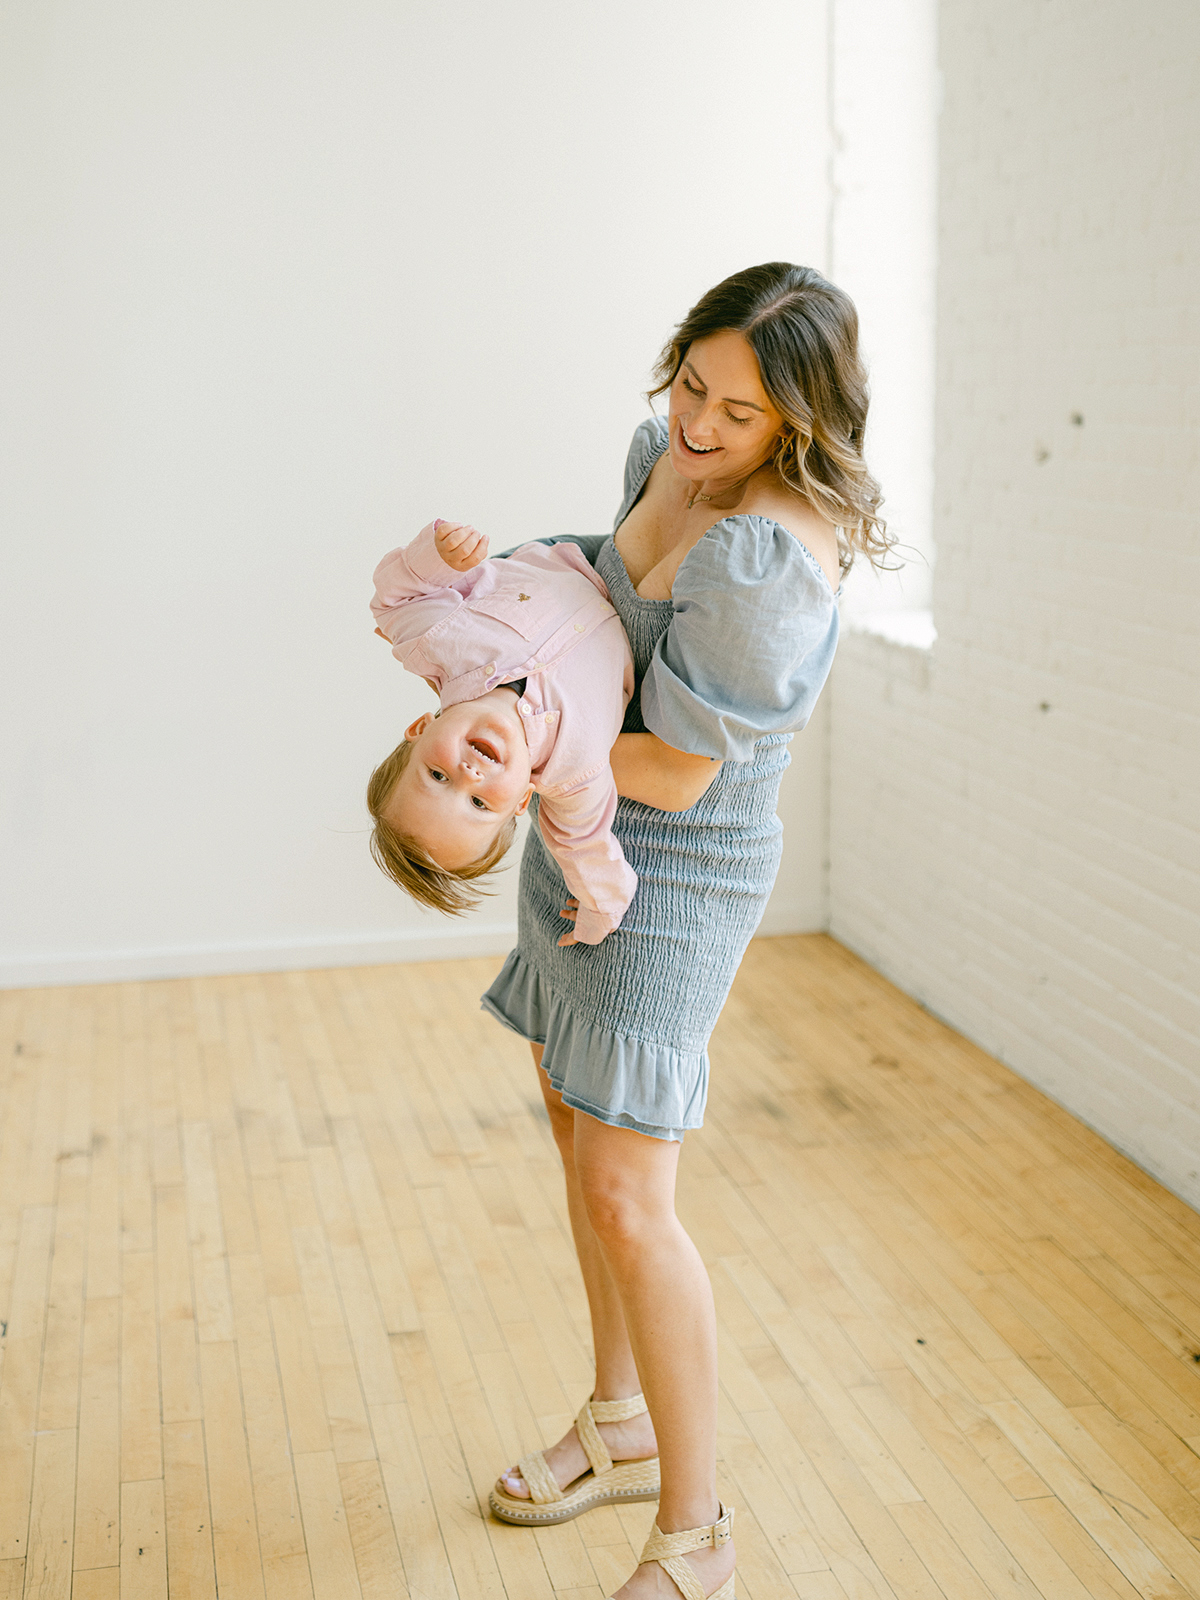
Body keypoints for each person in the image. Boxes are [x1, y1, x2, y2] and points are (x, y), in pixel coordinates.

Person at [482, 262, 890, 1600]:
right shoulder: (666, 454)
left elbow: (680, 770)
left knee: (627, 1192)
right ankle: (620, 1425)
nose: (703, 429)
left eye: (743, 415)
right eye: (693, 387)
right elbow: (601, 610)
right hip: (579, 841)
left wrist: (508, 744)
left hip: (677, 866)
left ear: (805, 428)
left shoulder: (770, 556)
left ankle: (701, 1533)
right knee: (566, 1115)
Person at [367, 517, 637, 944]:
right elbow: (585, 846)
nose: (469, 776)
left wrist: (436, 558)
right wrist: (601, 909)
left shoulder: (437, 644)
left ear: (420, 728)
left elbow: (392, 602)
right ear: (522, 800)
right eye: (478, 803)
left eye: (437, 776)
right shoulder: (572, 772)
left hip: (575, 553)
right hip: (640, 603)